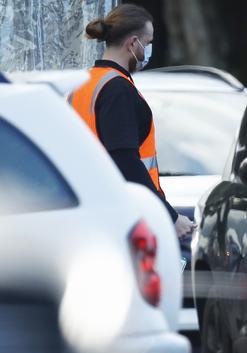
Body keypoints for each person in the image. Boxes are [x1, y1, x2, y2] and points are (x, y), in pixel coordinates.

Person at [68, 4, 194, 238]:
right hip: (122, 219)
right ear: (133, 43)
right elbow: (125, 161)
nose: (148, 50)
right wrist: (169, 216)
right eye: (148, 43)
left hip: (89, 212)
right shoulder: (118, 90)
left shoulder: (83, 84)